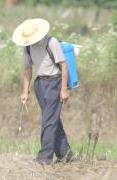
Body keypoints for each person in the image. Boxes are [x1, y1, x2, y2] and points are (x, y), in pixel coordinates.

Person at [13, 19, 74, 165]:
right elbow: (27, 70)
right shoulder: (27, 47)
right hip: (40, 84)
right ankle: (66, 155)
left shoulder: (51, 42)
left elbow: (64, 66)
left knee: (48, 120)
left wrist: (64, 89)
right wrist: (25, 91)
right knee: (52, 120)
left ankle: (45, 157)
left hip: (55, 82)